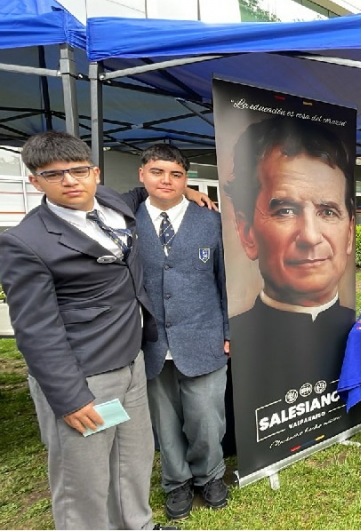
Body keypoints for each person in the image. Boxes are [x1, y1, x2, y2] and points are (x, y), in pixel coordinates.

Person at [0, 131, 211, 530]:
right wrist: (68, 397)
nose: (70, 181)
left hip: (131, 361)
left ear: (95, 172)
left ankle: (139, 524)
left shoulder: (114, 202)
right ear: (34, 181)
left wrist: (193, 194)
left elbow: (154, 186)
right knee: (85, 477)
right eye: (53, 175)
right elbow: (34, 329)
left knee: (131, 458)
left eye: (79, 170)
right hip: (85, 375)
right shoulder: (24, 243)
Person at [224, 116, 356, 464]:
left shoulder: (360, 333)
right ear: (247, 232)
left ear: (350, 234)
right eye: (285, 210)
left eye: (328, 211)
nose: (311, 236)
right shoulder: (233, 345)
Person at [135, 145, 231, 520]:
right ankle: (175, 484)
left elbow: (227, 281)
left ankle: (209, 475)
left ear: (186, 180)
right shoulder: (124, 220)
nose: (166, 181)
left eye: (176, 175)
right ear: (142, 174)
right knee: (164, 420)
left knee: (207, 418)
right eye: (158, 172)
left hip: (204, 336)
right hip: (150, 342)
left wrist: (229, 330)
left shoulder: (211, 221)